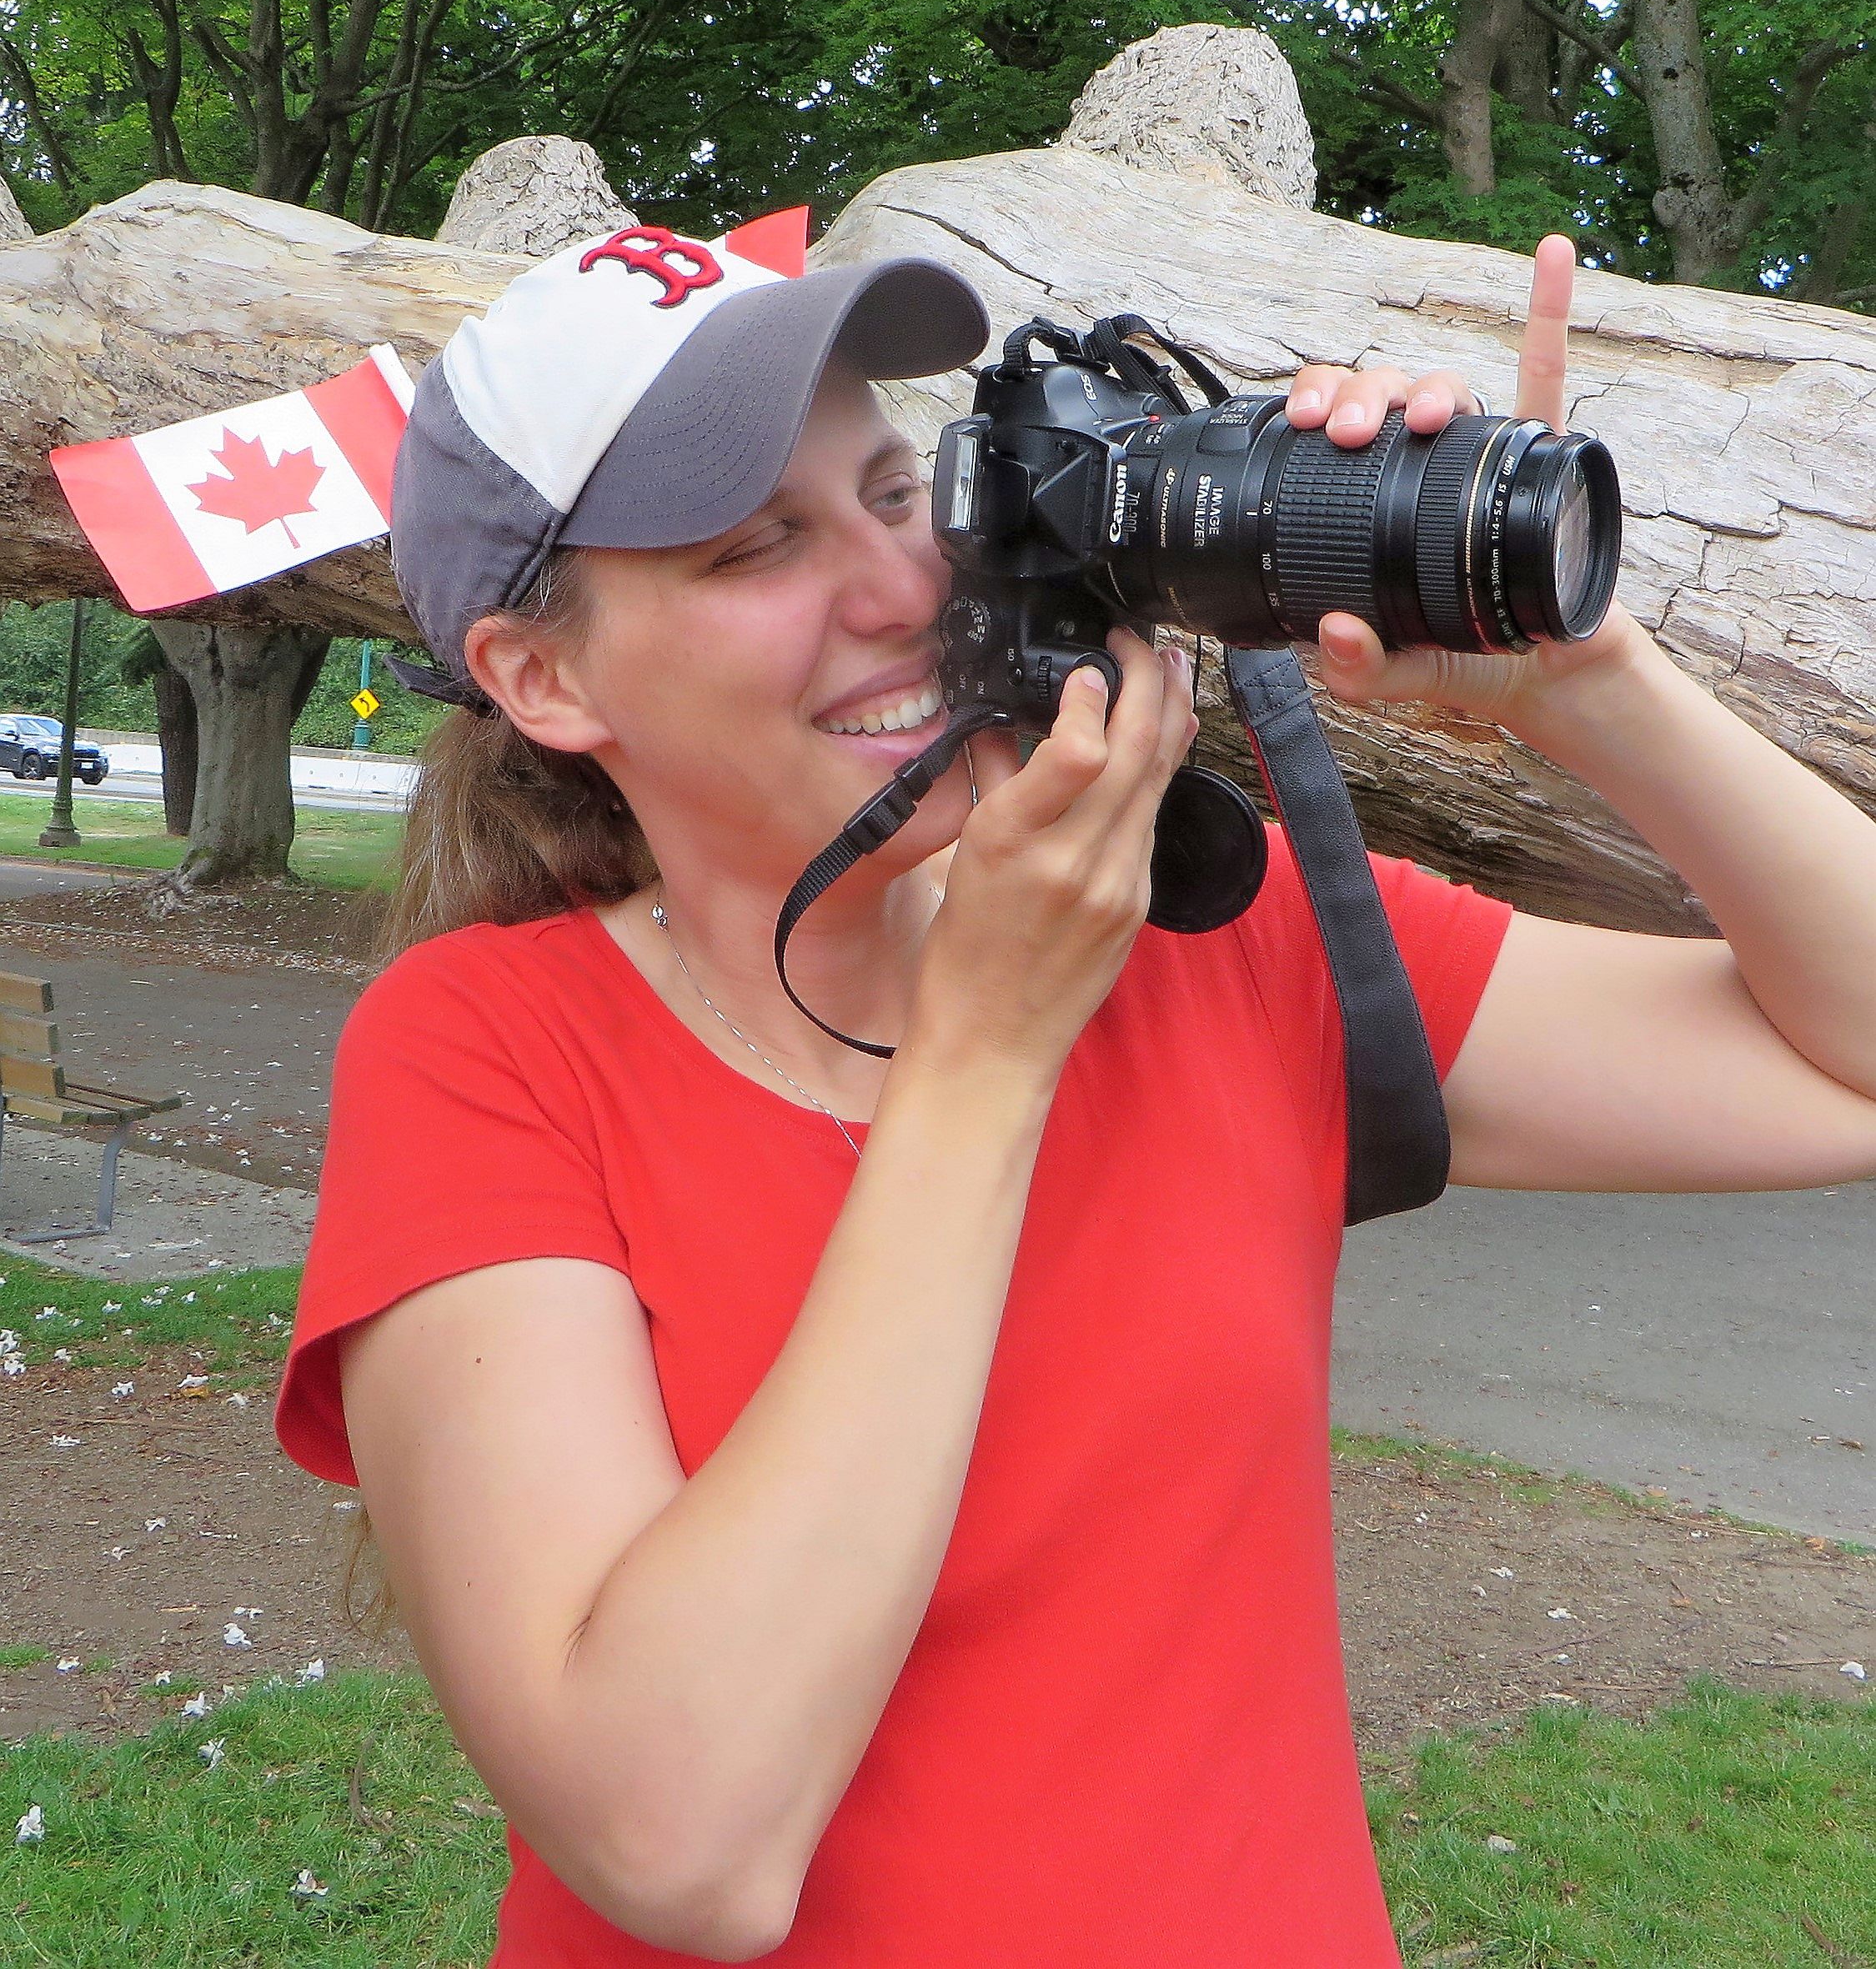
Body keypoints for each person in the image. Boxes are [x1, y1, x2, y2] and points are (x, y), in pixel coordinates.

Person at [275, 226, 1876, 1966]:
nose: (902, 589)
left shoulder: (1209, 933)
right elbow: (680, 1844)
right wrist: (984, 1059)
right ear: (545, 678)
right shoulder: (486, 1051)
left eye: (898, 492)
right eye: (756, 546)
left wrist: (1588, 684)